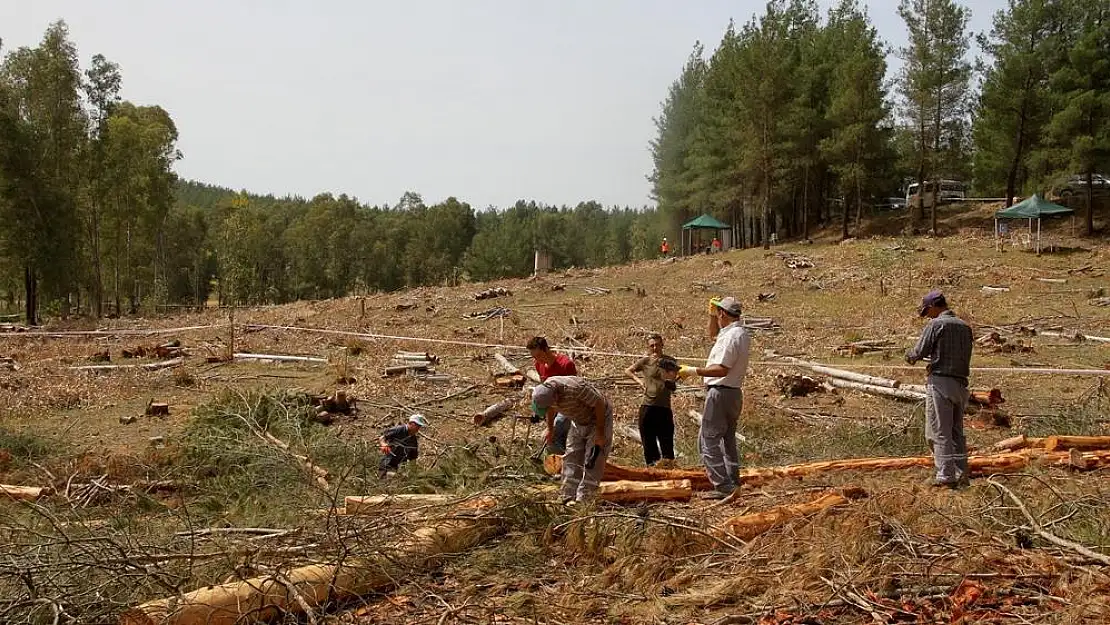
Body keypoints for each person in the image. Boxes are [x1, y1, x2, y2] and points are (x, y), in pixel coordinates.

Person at [678, 297, 750, 499]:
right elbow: (713, 334)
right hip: (734, 393)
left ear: (724, 315)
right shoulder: (738, 333)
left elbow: (721, 369)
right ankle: (733, 481)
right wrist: (711, 314)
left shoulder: (731, 337)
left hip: (720, 392)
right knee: (727, 440)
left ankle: (722, 485)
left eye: (718, 313)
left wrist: (691, 370)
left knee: (708, 440)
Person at [906, 290, 973, 489]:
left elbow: (919, 351)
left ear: (936, 306)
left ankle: (945, 476)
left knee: (937, 431)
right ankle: (961, 473)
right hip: (961, 385)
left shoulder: (937, 324)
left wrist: (909, 356)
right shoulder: (965, 327)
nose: (928, 315)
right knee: (956, 432)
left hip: (941, 383)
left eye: (928, 311)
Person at [531, 376, 613, 504]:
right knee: (572, 455)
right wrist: (550, 429)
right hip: (577, 420)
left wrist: (600, 433)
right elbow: (551, 409)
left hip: (597, 419)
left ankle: (584, 500)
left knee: (593, 460)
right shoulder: (546, 390)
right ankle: (567, 496)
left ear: (556, 396)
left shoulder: (575, 388)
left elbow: (599, 404)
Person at [625, 334, 679, 467]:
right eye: (652, 345)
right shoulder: (645, 361)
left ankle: (669, 471)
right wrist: (640, 381)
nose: (655, 348)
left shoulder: (670, 361)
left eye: (657, 345)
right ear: (648, 347)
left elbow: (673, 383)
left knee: (666, 442)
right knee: (649, 443)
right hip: (648, 406)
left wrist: (670, 377)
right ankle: (652, 470)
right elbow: (628, 370)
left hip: (664, 407)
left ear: (662, 345)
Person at [527, 336, 577, 453]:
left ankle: (563, 455)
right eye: (534, 357)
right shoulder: (538, 365)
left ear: (546, 349)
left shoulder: (566, 365)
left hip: (567, 404)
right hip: (552, 403)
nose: (537, 359)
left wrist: (551, 427)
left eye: (538, 355)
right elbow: (545, 390)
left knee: (558, 427)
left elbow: (573, 393)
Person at [378, 414, 429, 478]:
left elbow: (413, 458)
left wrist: (413, 474)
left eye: (420, 426)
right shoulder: (399, 429)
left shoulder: (413, 440)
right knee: (394, 478)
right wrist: (383, 444)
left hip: (396, 466)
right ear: (411, 423)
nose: (418, 428)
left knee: (399, 480)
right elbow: (382, 437)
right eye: (417, 425)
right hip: (386, 463)